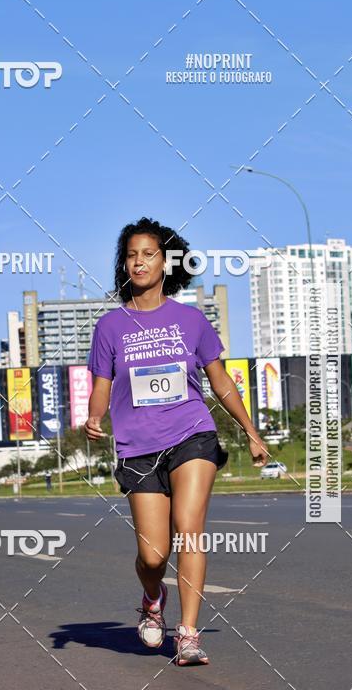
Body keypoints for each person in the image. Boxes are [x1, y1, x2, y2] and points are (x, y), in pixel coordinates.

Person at [84, 217, 269, 666]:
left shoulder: (190, 320)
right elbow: (103, 383)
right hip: (138, 446)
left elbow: (220, 381)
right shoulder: (110, 326)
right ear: (123, 265)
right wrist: (94, 415)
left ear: (166, 262)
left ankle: (187, 634)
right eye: (131, 255)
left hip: (192, 433)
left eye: (148, 253)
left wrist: (250, 430)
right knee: (152, 555)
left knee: (189, 532)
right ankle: (153, 599)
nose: (139, 261)